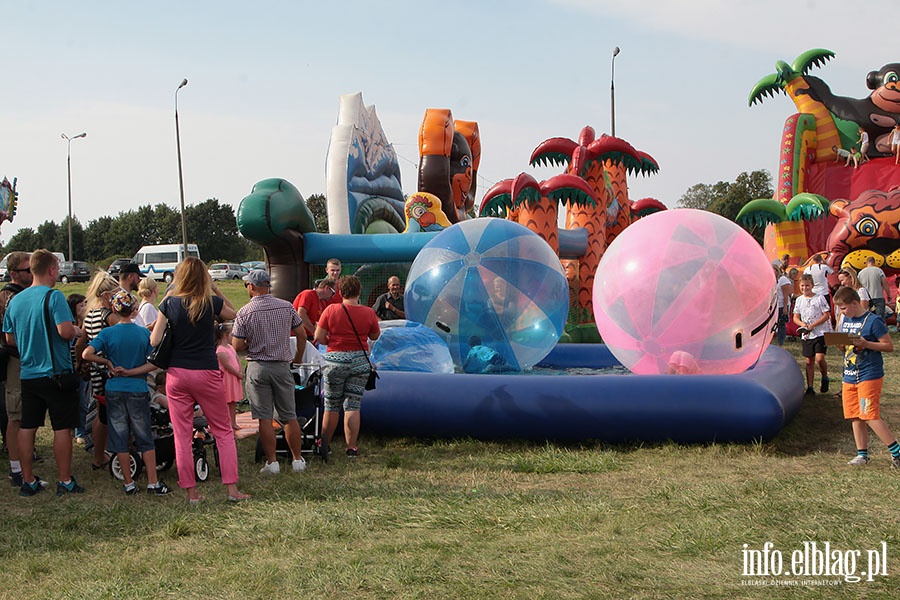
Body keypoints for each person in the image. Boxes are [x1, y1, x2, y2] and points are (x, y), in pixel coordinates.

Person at [151, 257, 248, 504]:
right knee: (223, 431)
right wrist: (215, 289)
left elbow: (154, 341)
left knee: (182, 434)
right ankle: (232, 490)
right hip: (205, 371)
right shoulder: (210, 302)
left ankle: (192, 494)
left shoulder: (169, 304)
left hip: (176, 374)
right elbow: (234, 313)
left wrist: (167, 299)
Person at [2, 250, 83, 496]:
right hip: (55, 372)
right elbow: (64, 332)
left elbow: (9, 338)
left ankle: (27, 480)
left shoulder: (15, 300)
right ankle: (64, 480)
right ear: (51, 269)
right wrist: (77, 332)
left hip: (28, 373)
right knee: (61, 427)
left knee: (27, 427)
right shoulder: (54, 297)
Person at [82, 290, 171, 495]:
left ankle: (129, 483)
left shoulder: (107, 333)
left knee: (119, 436)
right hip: (138, 388)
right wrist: (134, 371)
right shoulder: (142, 333)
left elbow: (87, 353)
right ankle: (152, 482)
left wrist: (106, 362)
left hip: (114, 388)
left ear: (114, 309)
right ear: (134, 310)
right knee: (144, 435)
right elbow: (154, 362)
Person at [233, 269, 308, 473]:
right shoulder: (286, 306)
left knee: (264, 417)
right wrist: (298, 358)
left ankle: (272, 462)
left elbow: (236, 345)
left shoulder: (244, 312)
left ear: (252, 286)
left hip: (258, 366)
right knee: (289, 415)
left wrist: (251, 345)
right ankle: (297, 460)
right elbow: (302, 335)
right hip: (282, 365)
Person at [833, 286, 900, 469]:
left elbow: (888, 346)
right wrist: (839, 343)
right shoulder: (846, 320)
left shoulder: (873, 321)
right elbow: (843, 348)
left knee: (869, 414)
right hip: (849, 374)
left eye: (844, 308)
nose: (842, 312)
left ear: (855, 303)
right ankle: (862, 454)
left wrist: (866, 344)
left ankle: (896, 452)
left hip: (869, 374)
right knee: (855, 414)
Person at [315, 275, 380, 457]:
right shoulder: (368, 312)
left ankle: (324, 444)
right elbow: (374, 336)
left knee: (331, 403)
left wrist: (331, 340)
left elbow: (319, 336)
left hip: (335, 359)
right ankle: (351, 447)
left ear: (341, 292)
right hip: (360, 362)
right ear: (359, 292)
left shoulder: (331, 310)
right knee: (353, 404)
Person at [74, 271, 120, 470]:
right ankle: (120, 452)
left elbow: (79, 344)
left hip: (94, 369)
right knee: (116, 412)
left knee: (101, 412)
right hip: (109, 368)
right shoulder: (109, 317)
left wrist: (79, 363)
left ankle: (98, 456)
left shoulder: (90, 315)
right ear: (108, 296)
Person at [0, 252, 33, 487]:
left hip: (26, 360)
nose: (32, 273)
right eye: (27, 270)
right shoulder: (8, 296)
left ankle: (23, 461)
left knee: (25, 415)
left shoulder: (22, 294)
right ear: (14, 274)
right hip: (15, 360)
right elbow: (9, 338)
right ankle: (15, 468)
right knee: (16, 415)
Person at [793, 273, 832, 396]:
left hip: (819, 332)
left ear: (812, 285)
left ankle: (824, 377)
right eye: (803, 286)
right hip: (807, 334)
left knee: (820, 358)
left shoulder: (819, 298)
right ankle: (810, 387)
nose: (805, 288)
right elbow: (796, 317)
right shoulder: (799, 300)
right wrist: (802, 324)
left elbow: (826, 315)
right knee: (809, 360)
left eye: (807, 286)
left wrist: (813, 325)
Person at [66, 293, 89, 442]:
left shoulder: (87, 322)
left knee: (83, 399)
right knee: (73, 400)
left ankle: (81, 430)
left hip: (83, 367)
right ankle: (76, 430)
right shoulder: (68, 324)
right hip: (70, 365)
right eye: (81, 305)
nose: (84, 308)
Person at [216, 322, 243, 430]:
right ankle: (226, 423)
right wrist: (237, 373)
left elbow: (237, 359)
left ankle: (233, 422)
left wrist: (240, 370)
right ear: (225, 335)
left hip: (234, 378)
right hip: (228, 379)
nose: (233, 336)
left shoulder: (230, 347)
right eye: (231, 334)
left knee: (233, 402)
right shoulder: (220, 350)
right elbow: (226, 365)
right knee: (226, 402)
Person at [773, 264, 793, 347]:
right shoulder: (772, 280)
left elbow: (786, 295)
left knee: (781, 324)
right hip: (775, 305)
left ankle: (780, 343)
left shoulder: (783, 280)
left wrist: (785, 308)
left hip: (782, 304)